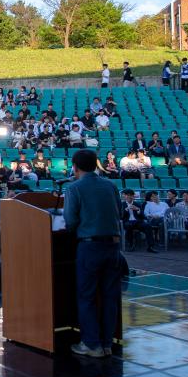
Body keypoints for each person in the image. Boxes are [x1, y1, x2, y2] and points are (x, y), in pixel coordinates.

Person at [63, 149, 122, 358]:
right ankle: (107, 344)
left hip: (90, 246)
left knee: (86, 296)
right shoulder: (111, 185)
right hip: (113, 246)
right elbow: (120, 213)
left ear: (75, 167)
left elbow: (70, 222)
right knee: (109, 296)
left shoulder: (74, 188)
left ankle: (91, 344)